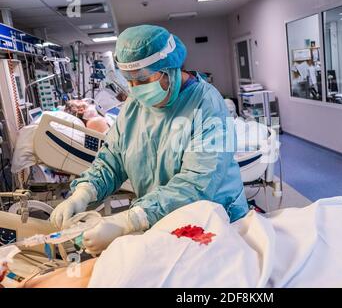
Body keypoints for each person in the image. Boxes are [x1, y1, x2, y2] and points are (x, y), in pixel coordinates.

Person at [50, 25, 248, 255]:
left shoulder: (207, 105)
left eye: (143, 80)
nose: (135, 89)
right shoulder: (135, 104)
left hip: (214, 223)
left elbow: (197, 183)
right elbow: (113, 159)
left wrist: (128, 220)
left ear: (170, 69)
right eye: (129, 81)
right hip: (163, 222)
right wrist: (84, 193)